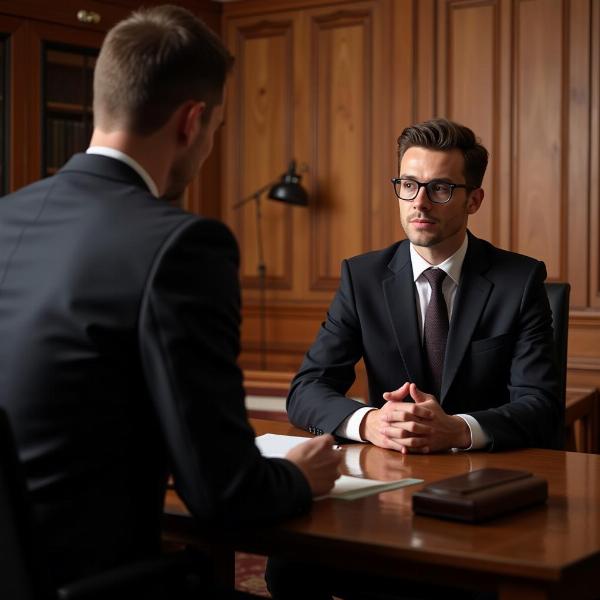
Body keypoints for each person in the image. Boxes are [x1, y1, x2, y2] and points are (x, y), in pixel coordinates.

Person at [0, 5, 341, 595]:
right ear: (192, 121)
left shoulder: (6, 216)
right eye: (217, 131)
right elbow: (224, 493)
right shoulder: (182, 245)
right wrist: (296, 475)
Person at [266, 118, 561, 599]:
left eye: (441, 188)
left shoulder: (519, 280)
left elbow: (540, 405)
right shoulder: (362, 278)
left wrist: (459, 428)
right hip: (387, 489)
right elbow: (306, 390)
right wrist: (369, 422)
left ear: (473, 200)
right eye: (408, 185)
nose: (419, 202)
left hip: (484, 494)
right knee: (289, 567)